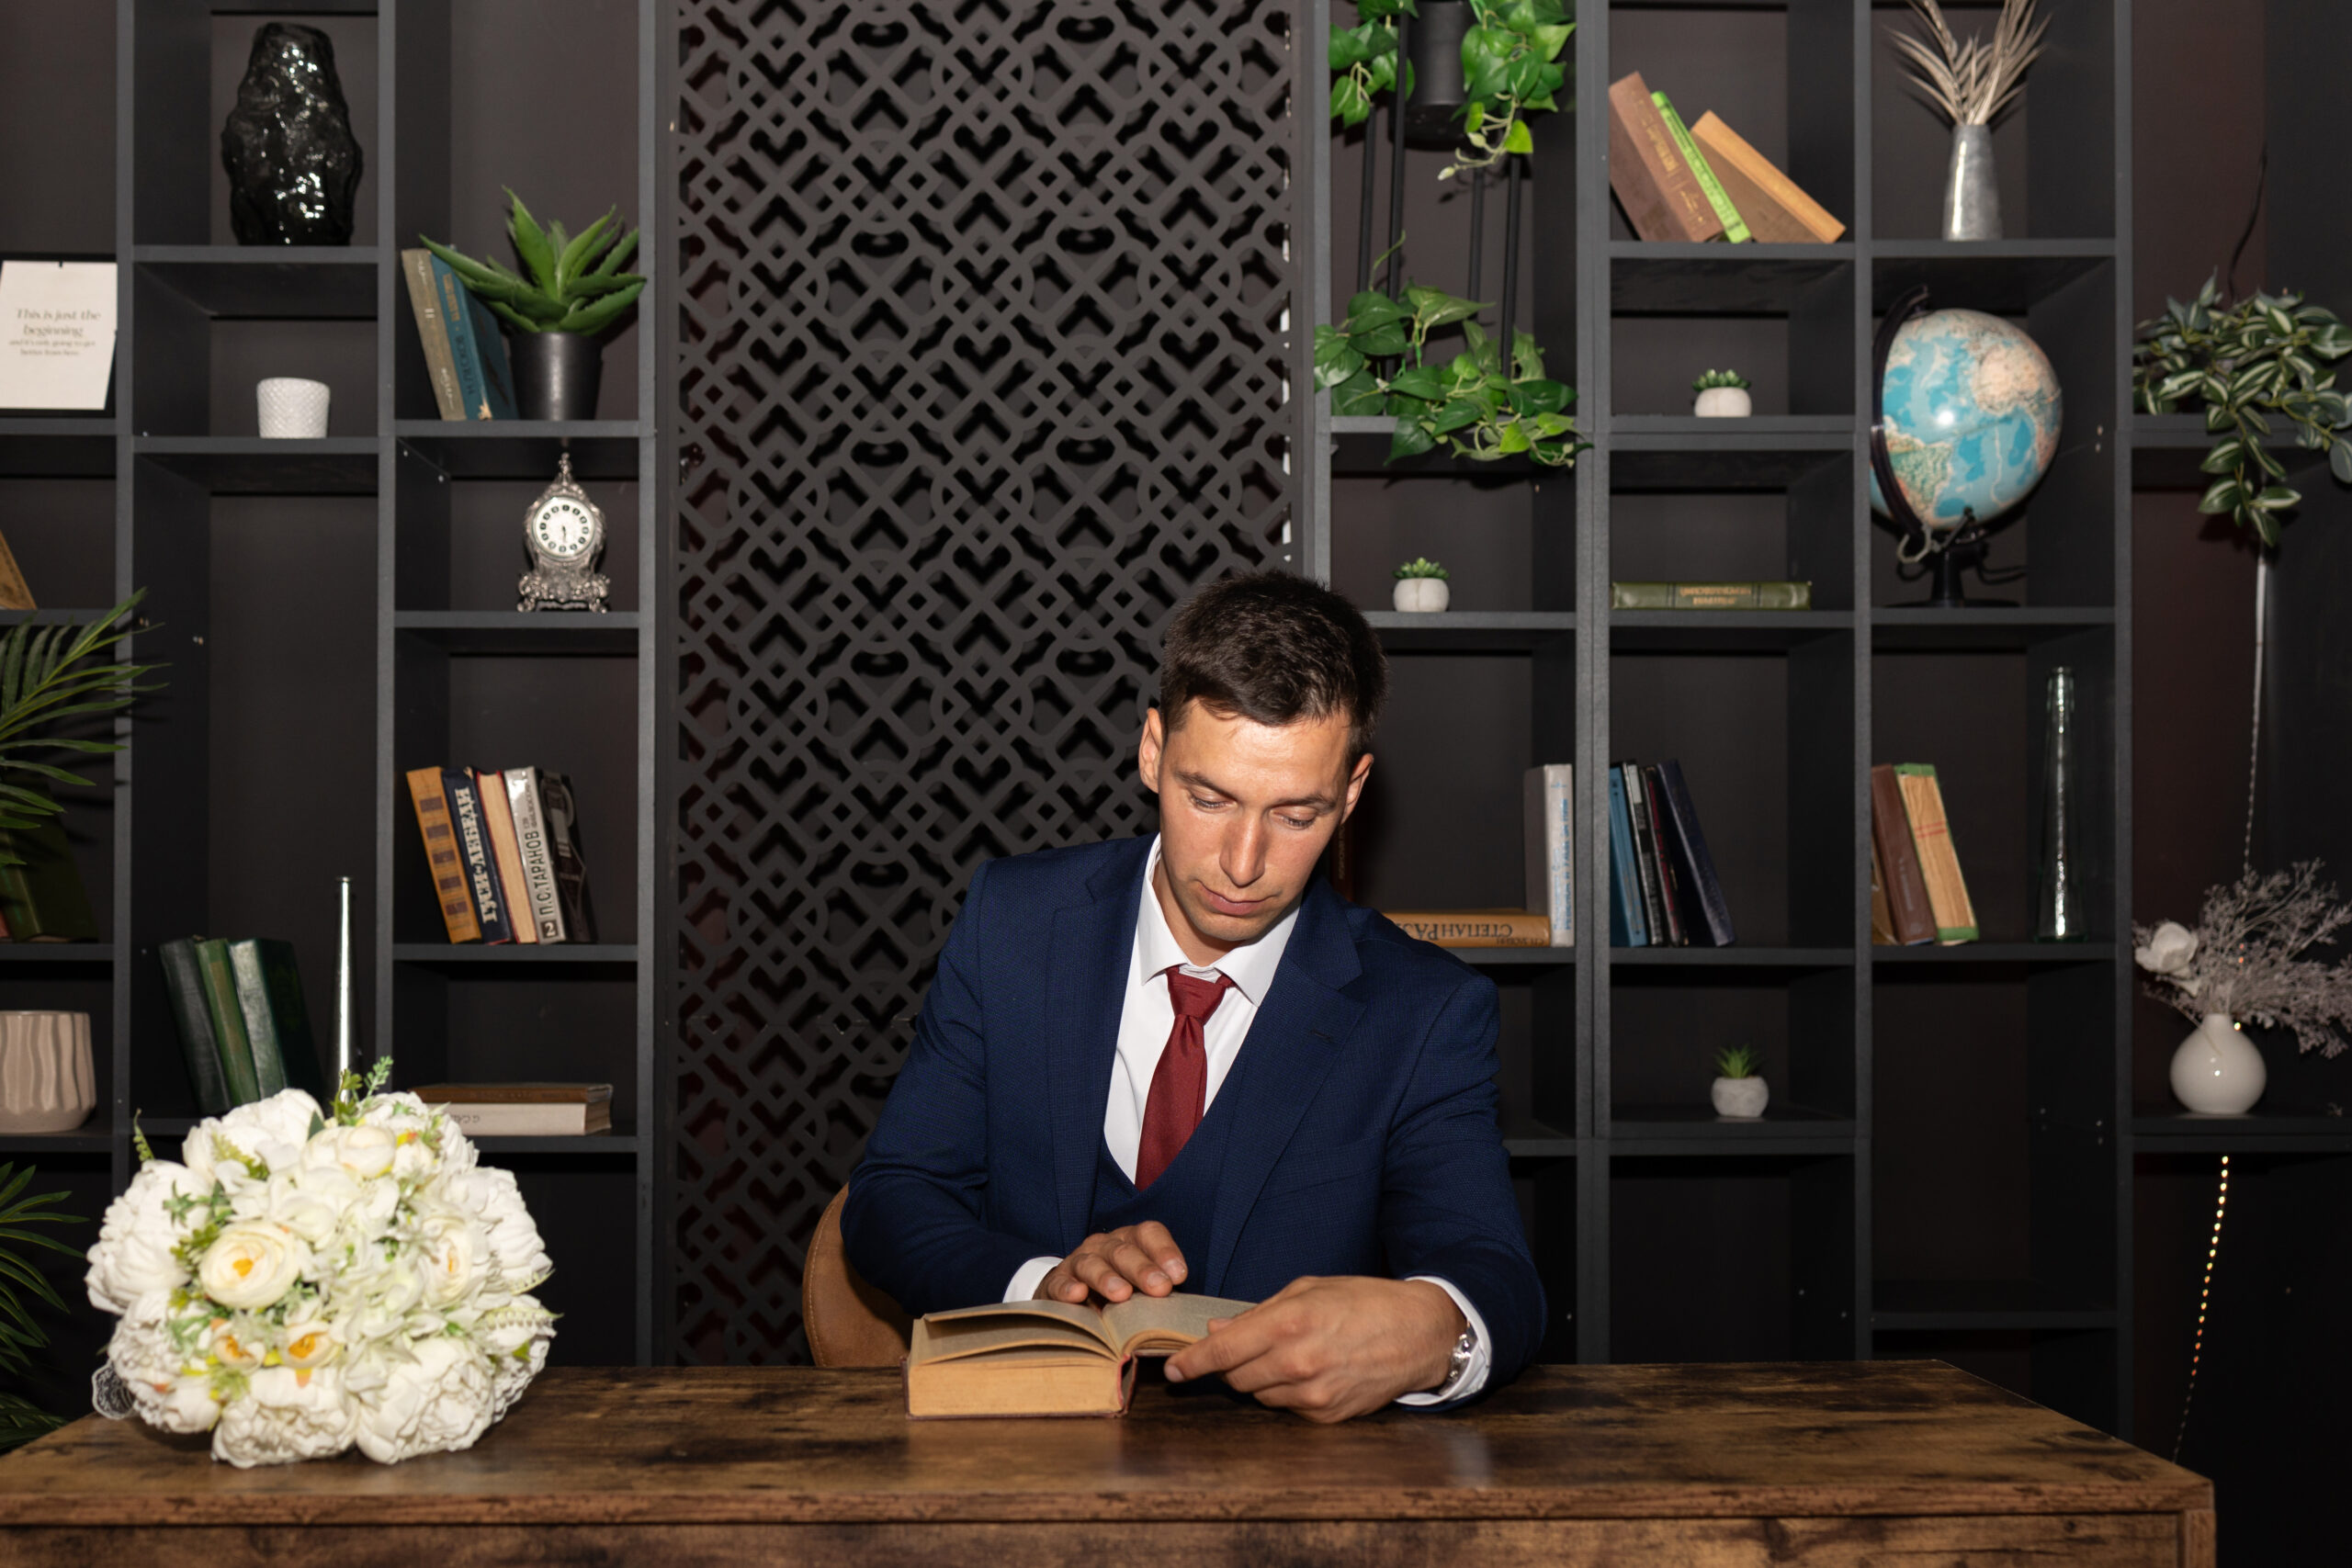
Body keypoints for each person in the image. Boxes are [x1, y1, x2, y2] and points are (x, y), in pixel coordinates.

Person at [842, 570, 1543, 1421]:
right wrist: (1041, 1287)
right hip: (1029, 1451)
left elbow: (1496, 1276)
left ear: (1353, 792)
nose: (1243, 863)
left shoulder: (1425, 1010)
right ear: (1152, 751)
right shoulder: (1013, 923)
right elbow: (892, 1198)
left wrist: (1435, 1331)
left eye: (1297, 815)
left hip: (1289, 1475)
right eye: (1209, 799)